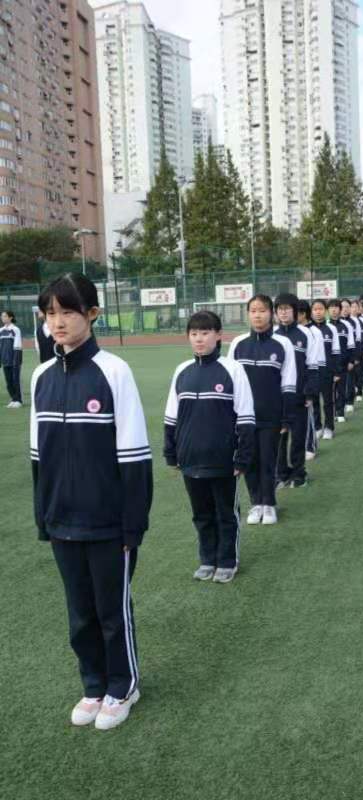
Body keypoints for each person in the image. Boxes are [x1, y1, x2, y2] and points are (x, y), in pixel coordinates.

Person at [30, 273, 153, 730]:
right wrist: (43, 517)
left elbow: (134, 456)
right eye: (50, 313)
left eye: (68, 312)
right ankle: (94, 685)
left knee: (110, 612)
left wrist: (132, 525)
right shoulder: (41, 376)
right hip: (62, 520)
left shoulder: (114, 371)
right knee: (80, 613)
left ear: (93, 314)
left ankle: (123, 686)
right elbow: (38, 457)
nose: (58, 322)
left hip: (107, 523)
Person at [164, 311, 255, 584]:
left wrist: (242, 456)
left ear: (218, 336)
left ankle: (227, 561)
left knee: (225, 514)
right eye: (194, 334)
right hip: (191, 459)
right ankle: (207, 560)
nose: (199, 339)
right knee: (201, 515)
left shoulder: (232, 369)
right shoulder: (182, 371)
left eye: (205, 333)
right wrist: (171, 452)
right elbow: (171, 417)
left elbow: (246, 417)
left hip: (223, 459)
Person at [227, 294, 296, 525]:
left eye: (263, 310)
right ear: (248, 314)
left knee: (268, 459)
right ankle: (256, 503)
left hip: (271, 414)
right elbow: (230, 381)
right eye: (253, 311)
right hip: (243, 416)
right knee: (249, 460)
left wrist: (286, 417)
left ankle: (269, 504)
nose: (258, 315)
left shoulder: (283, 344)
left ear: (271, 314)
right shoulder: (238, 343)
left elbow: (289, 382)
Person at [274, 293, 319, 488]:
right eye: (280, 309)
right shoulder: (272, 335)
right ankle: (281, 473)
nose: (283, 312)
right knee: (279, 437)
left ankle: (299, 473)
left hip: (300, 396)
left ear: (295, 311)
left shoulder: (306, 333)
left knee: (298, 437)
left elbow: (313, 365)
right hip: (278, 397)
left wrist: (309, 393)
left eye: (287, 309)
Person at [297, 299, 325, 461]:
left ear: (304, 314)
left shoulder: (314, 332)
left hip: (311, 374)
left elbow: (318, 357)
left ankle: (311, 443)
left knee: (311, 407)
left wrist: (315, 378)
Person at [310, 298, 341, 440]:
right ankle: (317, 427)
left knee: (328, 401)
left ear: (325, 311)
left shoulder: (331, 329)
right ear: (311, 312)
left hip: (327, 371)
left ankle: (329, 427)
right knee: (314, 400)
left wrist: (336, 372)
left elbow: (336, 352)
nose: (318, 312)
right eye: (315, 309)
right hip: (312, 372)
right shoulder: (308, 330)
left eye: (320, 309)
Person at [328, 299, 355, 423]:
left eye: (336, 307)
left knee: (341, 389)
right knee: (329, 391)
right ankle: (331, 414)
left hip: (343, 363)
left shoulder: (346, 325)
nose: (334, 310)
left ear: (340, 310)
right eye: (331, 307)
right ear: (328, 310)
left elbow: (351, 345)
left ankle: (340, 412)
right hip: (328, 364)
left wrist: (351, 361)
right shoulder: (326, 326)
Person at [0, 309, 23, 407]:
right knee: (8, 382)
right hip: (5, 361)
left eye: (5, 316)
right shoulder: (1, 331)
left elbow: (17, 346)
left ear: (10, 317)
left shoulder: (15, 329)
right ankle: (13, 399)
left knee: (15, 380)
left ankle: (19, 400)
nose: (2, 318)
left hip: (14, 360)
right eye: (2, 316)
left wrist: (16, 360)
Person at [340, 298, 359, 413]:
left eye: (347, 306)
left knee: (350, 378)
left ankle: (349, 401)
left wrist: (354, 358)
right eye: (343, 307)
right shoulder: (334, 323)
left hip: (350, 355)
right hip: (338, 358)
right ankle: (340, 405)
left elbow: (357, 341)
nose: (345, 309)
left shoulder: (353, 322)